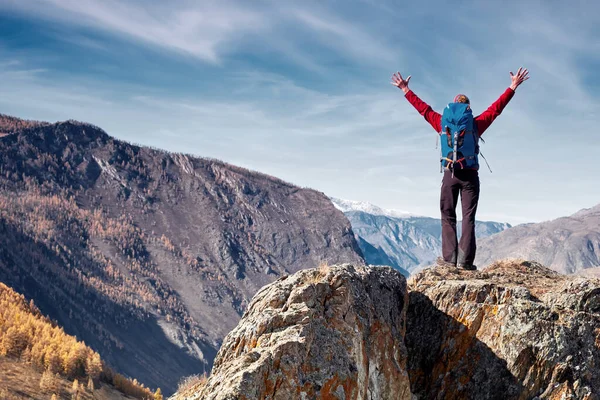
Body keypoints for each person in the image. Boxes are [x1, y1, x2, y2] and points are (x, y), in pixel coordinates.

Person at [391, 67, 529, 270]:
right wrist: (513, 86)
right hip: (470, 177)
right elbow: (496, 109)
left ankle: (449, 260)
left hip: (450, 174)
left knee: (447, 216)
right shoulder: (475, 124)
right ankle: (465, 262)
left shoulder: (441, 122)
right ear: (468, 108)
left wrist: (405, 90)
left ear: (453, 107)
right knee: (468, 218)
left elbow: (424, 110)